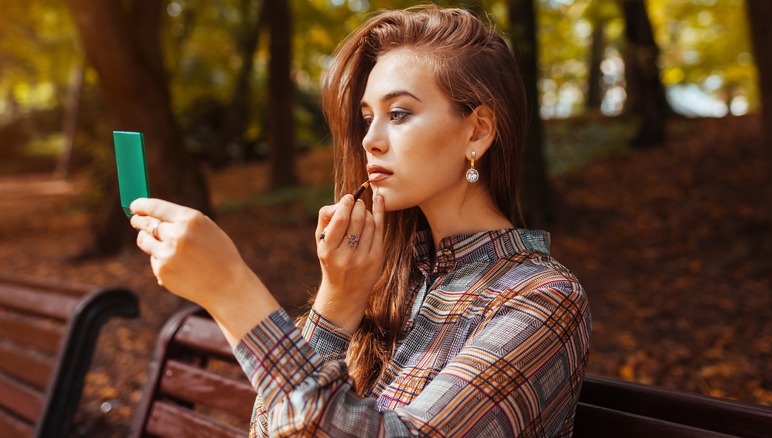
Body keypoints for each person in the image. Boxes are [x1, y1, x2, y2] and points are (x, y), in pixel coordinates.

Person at [130, 5, 591, 437]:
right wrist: (338, 300)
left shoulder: (542, 299)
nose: (370, 139)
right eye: (367, 117)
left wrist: (231, 291)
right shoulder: (385, 278)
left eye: (399, 113)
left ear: (478, 130)